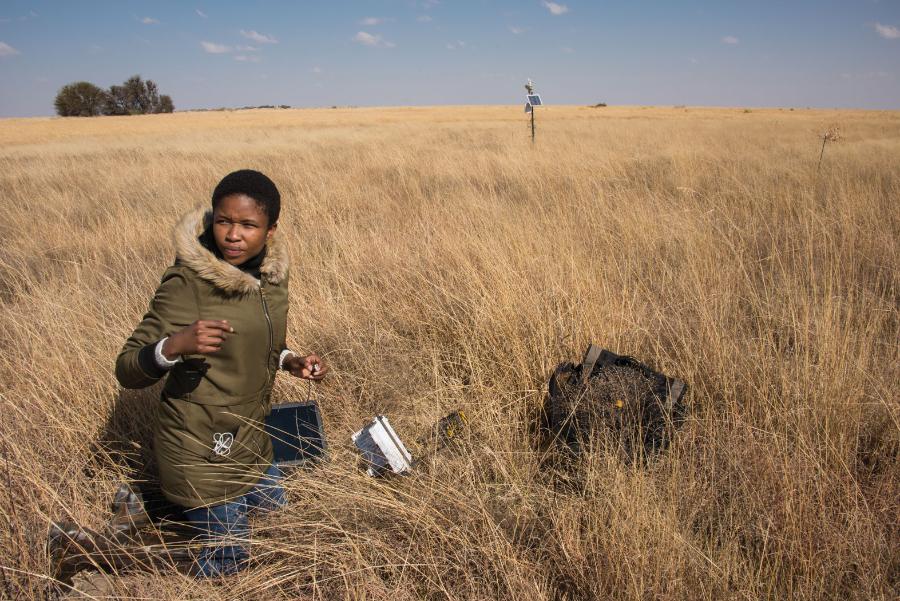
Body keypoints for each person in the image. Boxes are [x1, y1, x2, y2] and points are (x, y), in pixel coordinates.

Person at [115, 169, 328, 577]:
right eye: (224, 221)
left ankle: (151, 511)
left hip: (251, 435)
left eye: (248, 225)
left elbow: (261, 341)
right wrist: (175, 346)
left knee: (279, 527)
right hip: (201, 446)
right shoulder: (188, 282)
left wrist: (291, 361)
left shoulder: (271, 277)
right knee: (228, 564)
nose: (233, 235)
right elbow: (128, 369)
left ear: (270, 230)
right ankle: (119, 563)